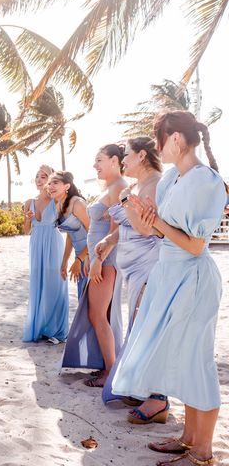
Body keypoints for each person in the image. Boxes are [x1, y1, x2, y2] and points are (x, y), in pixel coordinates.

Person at [112, 112, 226, 466]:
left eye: (158, 138)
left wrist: (158, 222)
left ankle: (204, 450)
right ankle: (187, 438)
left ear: (176, 138)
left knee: (197, 361)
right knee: (181, 358)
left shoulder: (207, 181)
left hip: (192, 278)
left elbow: (194, 245)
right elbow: (156, 231)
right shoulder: (171, 180)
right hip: (167, 273)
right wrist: (143, 215)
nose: (157, 146)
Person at [95, 137, 163, 408]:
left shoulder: (159, 184)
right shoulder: (135, 187)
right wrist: (109, 241)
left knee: (144, 326)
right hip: (132, 267)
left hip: (149, 263)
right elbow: (127, 226)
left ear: (142, 156)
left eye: (127, 155)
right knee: (138, 327)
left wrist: (126, 200)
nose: (123, 161)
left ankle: (152, 394)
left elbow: (148, 228)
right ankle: (137, 387)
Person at [61, 144, 127, 386]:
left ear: (114, 160)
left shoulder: (120, 186)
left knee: (98, 314)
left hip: (106, 260)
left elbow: (116, 228)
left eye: (99, 160)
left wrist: (98, 260)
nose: (95, 165)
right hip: (100, 259)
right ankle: (108, 368)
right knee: (102, 314)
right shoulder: (110, 187)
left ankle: (110, 371)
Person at [22, 165, 69, 344]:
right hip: (36, 243)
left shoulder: (58, 200)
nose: (40, 180)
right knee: (38, 283)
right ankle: (40, 327)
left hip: (53, 243)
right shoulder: (29, 202)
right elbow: (27, 230)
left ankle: (55, 331)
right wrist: (27, 218)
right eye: (37, 177)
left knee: (54, 284)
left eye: (44, 176)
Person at [47, 171, 90, 300]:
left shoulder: (77, 204)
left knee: (89, 302)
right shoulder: (58, 205)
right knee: (82, 299)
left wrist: (80, 259)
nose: (51, 186)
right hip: (80, 256)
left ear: (67, 186)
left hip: (91, 255)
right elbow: (71, 235)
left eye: (55, 182)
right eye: (49, 183)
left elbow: (95, 235)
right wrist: (64, 261)